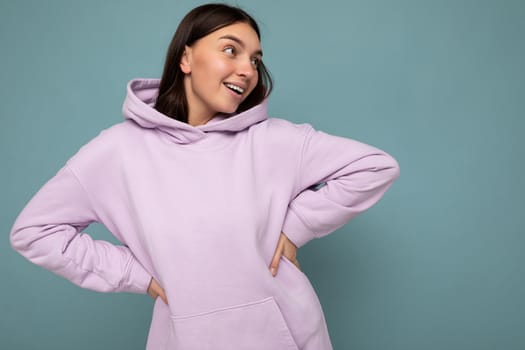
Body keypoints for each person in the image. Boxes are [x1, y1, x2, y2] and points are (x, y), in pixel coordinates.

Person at [10, 3, 399, 349]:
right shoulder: (117, 152)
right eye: (231, 50)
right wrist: (134, 274)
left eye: (255, 59)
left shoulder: (275, 140)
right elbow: (34, 232)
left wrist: (296, 226)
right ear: (186, 58)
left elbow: (375, 166)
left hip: (290, 334)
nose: (247, 69)